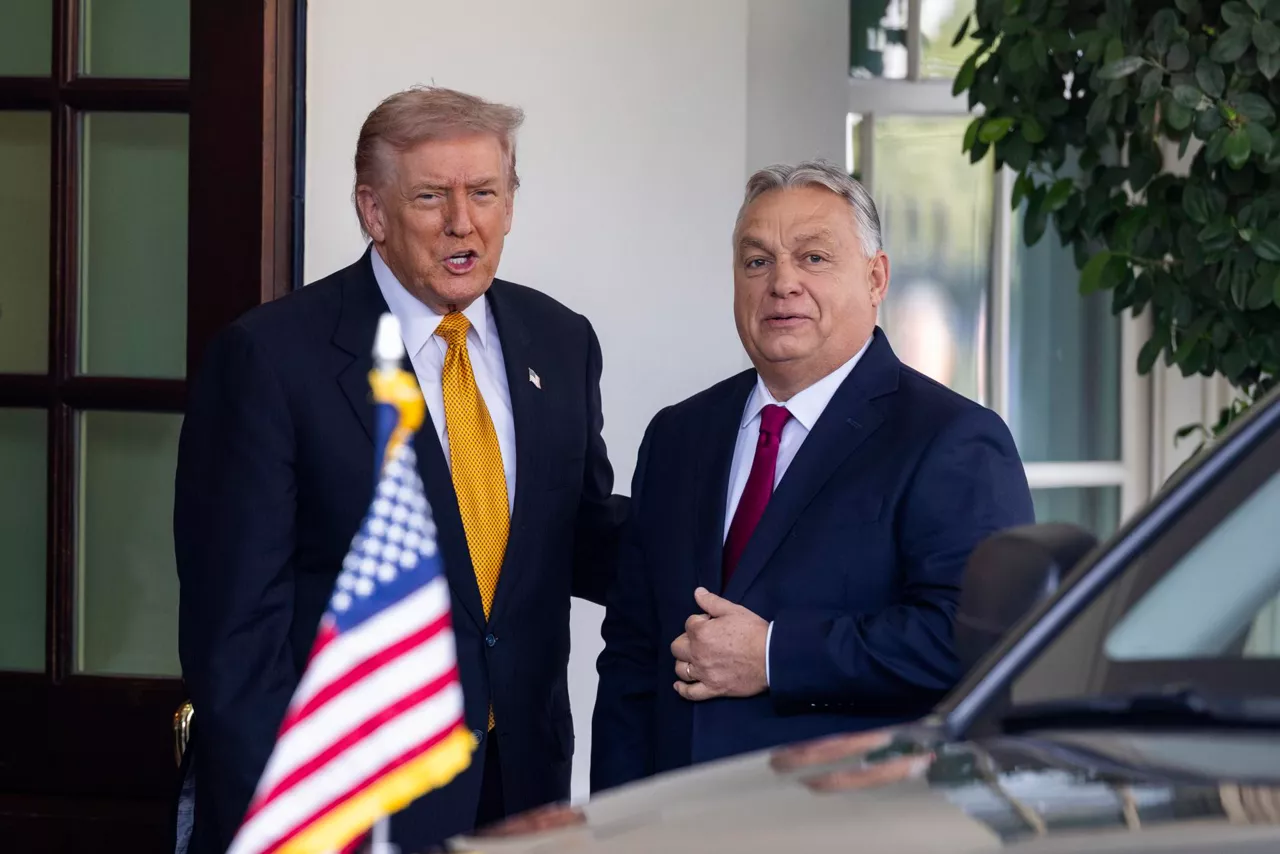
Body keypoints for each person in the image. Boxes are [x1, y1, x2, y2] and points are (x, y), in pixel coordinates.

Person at [175, 86, 626, 853]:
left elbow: (573, 535)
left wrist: (729, 533)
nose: (463, 221)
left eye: (483, 192)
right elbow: (235, 637)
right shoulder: (270, 360)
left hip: (518, 783)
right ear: (373, 212)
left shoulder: (560, 339)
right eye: (430, 196)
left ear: (509, 204)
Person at [590, 160, 1034, 792]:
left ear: (877, 277)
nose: (782, 284)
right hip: (676, 821)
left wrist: (774, 655)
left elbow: (970, 640)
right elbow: (634, 655)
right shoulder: (678, 436)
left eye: (814, 258)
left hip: (842, 820)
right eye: (757, 262)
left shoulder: (951, 439)